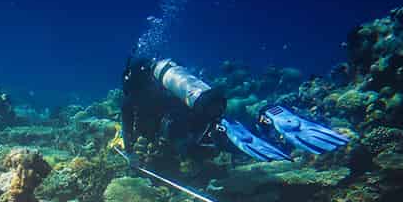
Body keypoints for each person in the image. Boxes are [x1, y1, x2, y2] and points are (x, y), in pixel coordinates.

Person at [120, 57, 348, 163]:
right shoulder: (165, 81)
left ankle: (219, 134)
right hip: (205, 108)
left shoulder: (130, 99)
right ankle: (267, 116)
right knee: (224, 126)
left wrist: (130, 154)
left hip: (182, 125)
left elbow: (128, 132)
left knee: (197, 150)